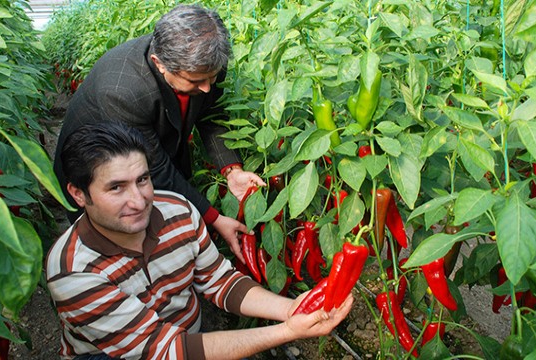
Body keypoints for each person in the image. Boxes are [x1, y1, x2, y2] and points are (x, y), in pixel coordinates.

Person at [47, 122, 352, 360]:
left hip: (188, 339)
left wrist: (291, 310)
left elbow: (219, 282)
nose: (139, 201)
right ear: (78, 194)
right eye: (116, 188)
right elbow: (164, 351)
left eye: (142, 180)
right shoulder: (73, 272)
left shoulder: (176, 210)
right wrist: (287, 331)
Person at [52, 4, 266, 263]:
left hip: (147, 154)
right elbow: (156, 168)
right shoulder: (123, 89)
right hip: (95, 172)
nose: (208, 87)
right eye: (196, 81)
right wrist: (214, 218)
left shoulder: (207, 64)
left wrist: (232, 170)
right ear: (160, 64)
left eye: (212, 77)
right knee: (112, 248)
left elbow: (211, 114)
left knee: (161, 243)